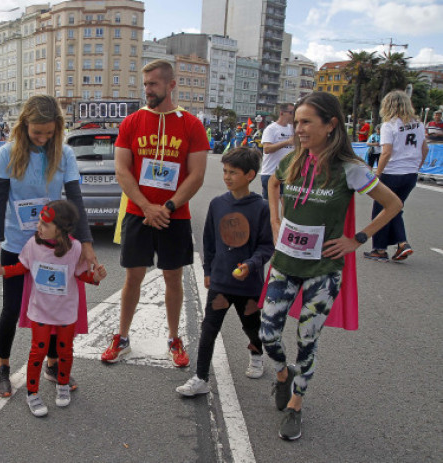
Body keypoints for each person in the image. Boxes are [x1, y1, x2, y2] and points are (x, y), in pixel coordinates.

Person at [263, 91, 402, 440]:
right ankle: (282, 374)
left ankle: (296, 404)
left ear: (331, 125)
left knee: (307, 338)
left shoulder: (350, 170)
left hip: (324, 271)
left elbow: (393, 204)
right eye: (296, 122)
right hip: (285, 263)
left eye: (307, 122)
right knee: (268, 334)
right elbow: (272, 183)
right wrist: (275, 220)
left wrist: (358, 238)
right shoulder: (294, 160)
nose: (299, 129)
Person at [0, 94, 98, 398]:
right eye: (37, 133)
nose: (43, 138)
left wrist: (86, 244)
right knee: (10, 309)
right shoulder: (6, 154)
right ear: (23, 125)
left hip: (53, 245)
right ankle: (3, 367)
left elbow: (75, 200)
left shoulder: (64, 155)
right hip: (17, 243)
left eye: (49, 133)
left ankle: (52, 364)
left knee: (54, 306)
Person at [101, 59, 208, 368]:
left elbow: (197, 174)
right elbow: (122, 170)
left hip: (175, 216)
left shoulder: (191, 124)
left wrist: (169, 207)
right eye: (145, 84)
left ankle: (174, 339)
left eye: (153, 84)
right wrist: (147, 206)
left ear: (171, 85)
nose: (147, 90)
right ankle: (121, 337)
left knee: (173, 277)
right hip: (139, 213)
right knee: (132, 277)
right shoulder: (132, 122)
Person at [0, 200, 106, 416]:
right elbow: (21, 266)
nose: (38, 227)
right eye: (39, 223)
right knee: (38, 351)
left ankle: (62, 385)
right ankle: (32, 394)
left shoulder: (76, 248)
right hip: (40, 311)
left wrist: (95, 278)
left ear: (61, 229)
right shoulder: (33, 245)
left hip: (65, 313)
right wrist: (2, 271)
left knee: (65, 351)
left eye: (44, 224)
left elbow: (80, 274)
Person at [176, 147, 274, 397]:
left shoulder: (261, 207)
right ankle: (200, 377)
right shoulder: (218, 203)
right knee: (209, 329)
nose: (227, 177)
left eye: (233, 172)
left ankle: (256, 354)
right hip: (220, 281)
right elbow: (208, 241)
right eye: (225, 171)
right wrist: (208, 270)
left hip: (248, 284)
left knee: (252, 326)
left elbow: (266, 246)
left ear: (251, 174)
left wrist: (250, 265)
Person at [364, 90, 428, 262]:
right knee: (395, 208)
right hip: (410, 173)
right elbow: (425, 149)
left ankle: (382, 248)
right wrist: (415, 166)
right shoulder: (418, 124)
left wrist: (377, 173)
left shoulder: (389, 125)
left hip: (392, 172)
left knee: (383, 209)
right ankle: (400, 244)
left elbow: (386, 152)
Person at [261, 104, 295, 199]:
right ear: (282, 113)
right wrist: (287, 142)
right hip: (270, 172)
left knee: (287, 204)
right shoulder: (271, 129)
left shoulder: (292, 128)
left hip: (287, 173)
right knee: (269, 206)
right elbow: (267, 149)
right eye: (291, 113)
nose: (293, 115)